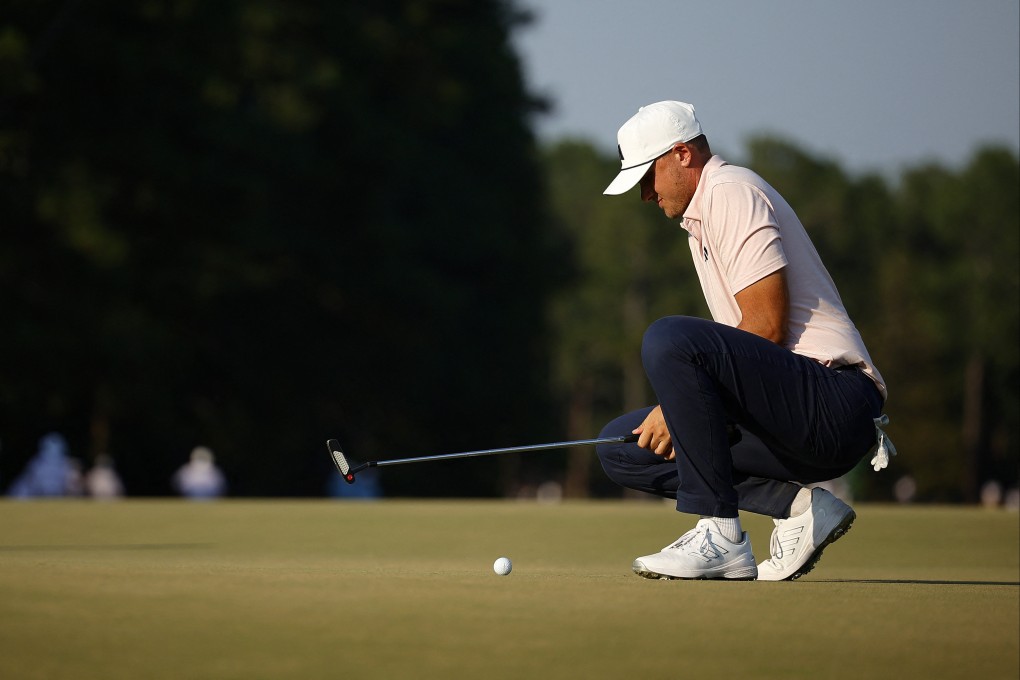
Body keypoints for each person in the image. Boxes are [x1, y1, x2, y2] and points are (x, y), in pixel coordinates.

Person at [597, 101, 895, 581]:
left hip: (834, 402)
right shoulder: (699, 221)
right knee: (621, 448)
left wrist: (679, 405)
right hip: (788, 412)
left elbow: (767, 325)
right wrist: (682, 408)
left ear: (682, 155)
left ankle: (720, 534)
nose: (645, 196)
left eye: (647, 177)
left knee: (668, 337)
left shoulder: (730, 191)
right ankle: (800, 509)